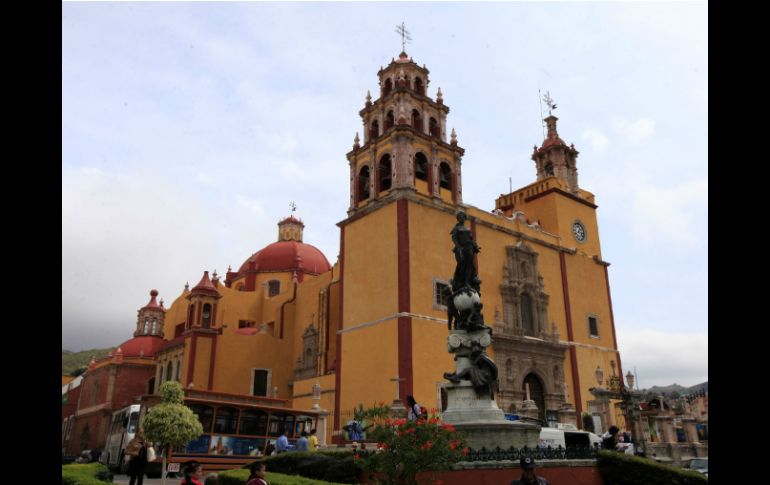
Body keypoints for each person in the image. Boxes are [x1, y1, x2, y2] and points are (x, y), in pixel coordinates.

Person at [450, 210, 481, 290]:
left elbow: (471, 239)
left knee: (469, 264)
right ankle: (459, 280)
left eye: (463, 217)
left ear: (465, 218)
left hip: (469, 247)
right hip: (460, 248)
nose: (461, 218)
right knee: (462, 264)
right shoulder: (456, 228)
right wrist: (458, 247)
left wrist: (476, 246)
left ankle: (468, 281)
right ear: (458, 218)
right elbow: (454, 238)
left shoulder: (467, 229)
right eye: (460, 217)